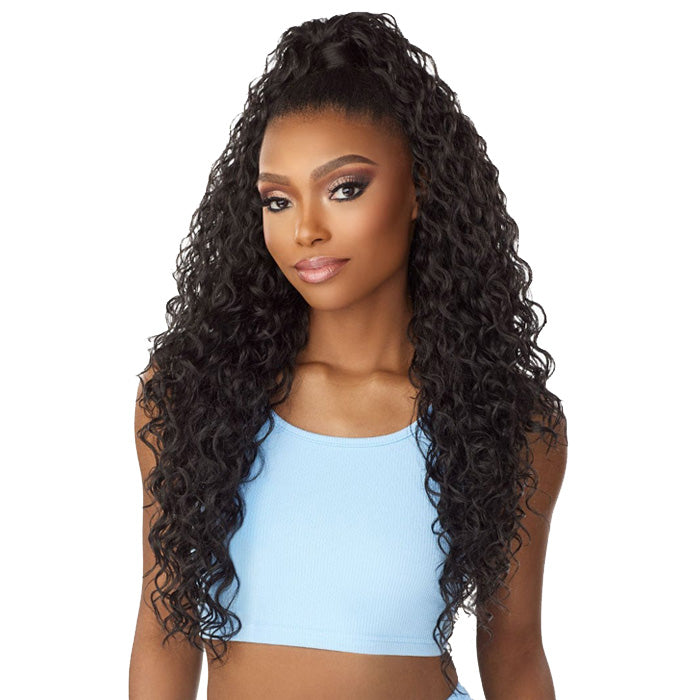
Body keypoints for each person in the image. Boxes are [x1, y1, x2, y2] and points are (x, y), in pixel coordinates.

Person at [129, 11, 567, 700]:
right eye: (277, 200)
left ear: (420, 188)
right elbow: (163, 632)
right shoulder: (194, 394)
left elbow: (514, 656)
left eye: (345, 189)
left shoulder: (508, 422)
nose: (305, 229)